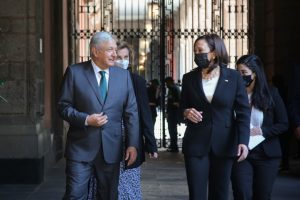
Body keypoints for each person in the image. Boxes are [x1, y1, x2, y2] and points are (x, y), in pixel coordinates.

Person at [57, 31, 139, 200]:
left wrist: (132, 144)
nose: (115, 54)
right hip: (80, 148)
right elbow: (63, 107)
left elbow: (131, 113)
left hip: (111, 148)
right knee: (74, 195)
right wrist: (86, 119)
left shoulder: (123, 77)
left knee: (108, 195)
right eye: (110, 50)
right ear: (95, 51)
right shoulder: (74, 72)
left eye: (115, 50)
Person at [180, 33, 251, 200]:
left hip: (225, 143)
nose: (197, 54)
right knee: (196, 194)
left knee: (220, 193)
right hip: (196, 143)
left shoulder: (233, 78)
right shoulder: (189, 78)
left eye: (201, 50)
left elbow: (242, 113)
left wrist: (243, 141)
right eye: (195, 50)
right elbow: (181, 108)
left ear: (215, 52)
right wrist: (185, 112)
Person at [87, 41, 158, 200]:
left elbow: (144, 114)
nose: (122, 60)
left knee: (127, 184)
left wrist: (151, 143)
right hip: (103, 140)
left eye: (125, 57)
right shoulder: (99, 78)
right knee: (101, 185)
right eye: (119, 56)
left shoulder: (136, 81)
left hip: (128, 140)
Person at [231, 54, 289, 200]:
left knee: (262, 195)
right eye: (237, 72)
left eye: (244, 73)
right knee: (241, 192)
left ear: (255, 73)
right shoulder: (232, 94)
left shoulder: (271, 93)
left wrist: (263, 130)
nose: (240, 76)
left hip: (267, 155)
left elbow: (284, 123)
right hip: (241, 152)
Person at [165, 76, 181, 152]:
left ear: (169, 82)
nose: (166, 85)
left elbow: (177, 101)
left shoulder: (174, 89)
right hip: (172, 112)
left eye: (166, 83)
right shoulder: (174, 88)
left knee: (172, 130)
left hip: (173, 113)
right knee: (172, 130)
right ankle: (173, 145)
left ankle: (174, 146)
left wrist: (169, 111)